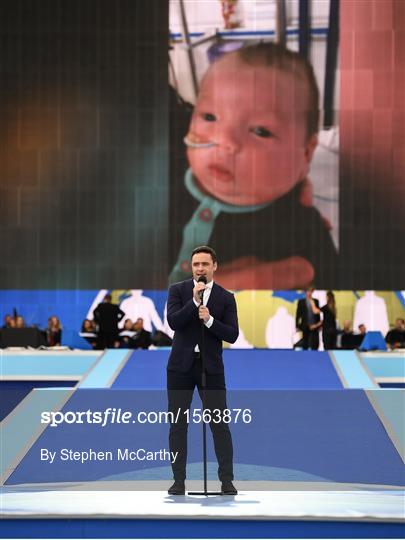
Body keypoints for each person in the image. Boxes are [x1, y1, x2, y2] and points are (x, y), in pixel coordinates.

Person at [169, 42, 338, 289]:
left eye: (260, 131)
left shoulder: (298, 228)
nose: (224, 141)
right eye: (209, 117)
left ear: (306, 152)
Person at [166, 245, 239, 495]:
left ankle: (227, 481)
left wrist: (209, 320)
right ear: (191, 266)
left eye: (204, 264)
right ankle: (178, 481)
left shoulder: (226, 297)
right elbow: (173, 321)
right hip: (180, 369)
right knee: (177, 425)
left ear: (214, 266)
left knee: (219, 425)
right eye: (196, 264)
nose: (200, 269)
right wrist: (193, 302)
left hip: (211, 369)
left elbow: (233, 334)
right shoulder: (178, 290)